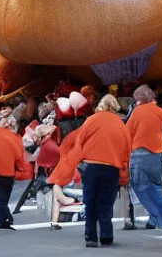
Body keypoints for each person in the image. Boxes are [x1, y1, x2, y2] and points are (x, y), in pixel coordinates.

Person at [50, 94, 131, 248]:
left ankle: (91, 236)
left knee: (90, 202)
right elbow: (127, 147)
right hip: (111, 166)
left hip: (91, 166)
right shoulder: (120, 124)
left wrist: (76, 161)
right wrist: (122, 163)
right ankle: (106, 235)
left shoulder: (91, 120)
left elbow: (80, 141)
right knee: (106, 202)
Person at [126, 85, 162, 235]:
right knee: (156, 186)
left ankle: (158, 216)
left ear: (139, 99)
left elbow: (127, 133)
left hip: (139, 153)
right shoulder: (160, 112)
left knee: (140, 186)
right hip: (157, 154)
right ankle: (159, 219)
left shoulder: (137, 111)